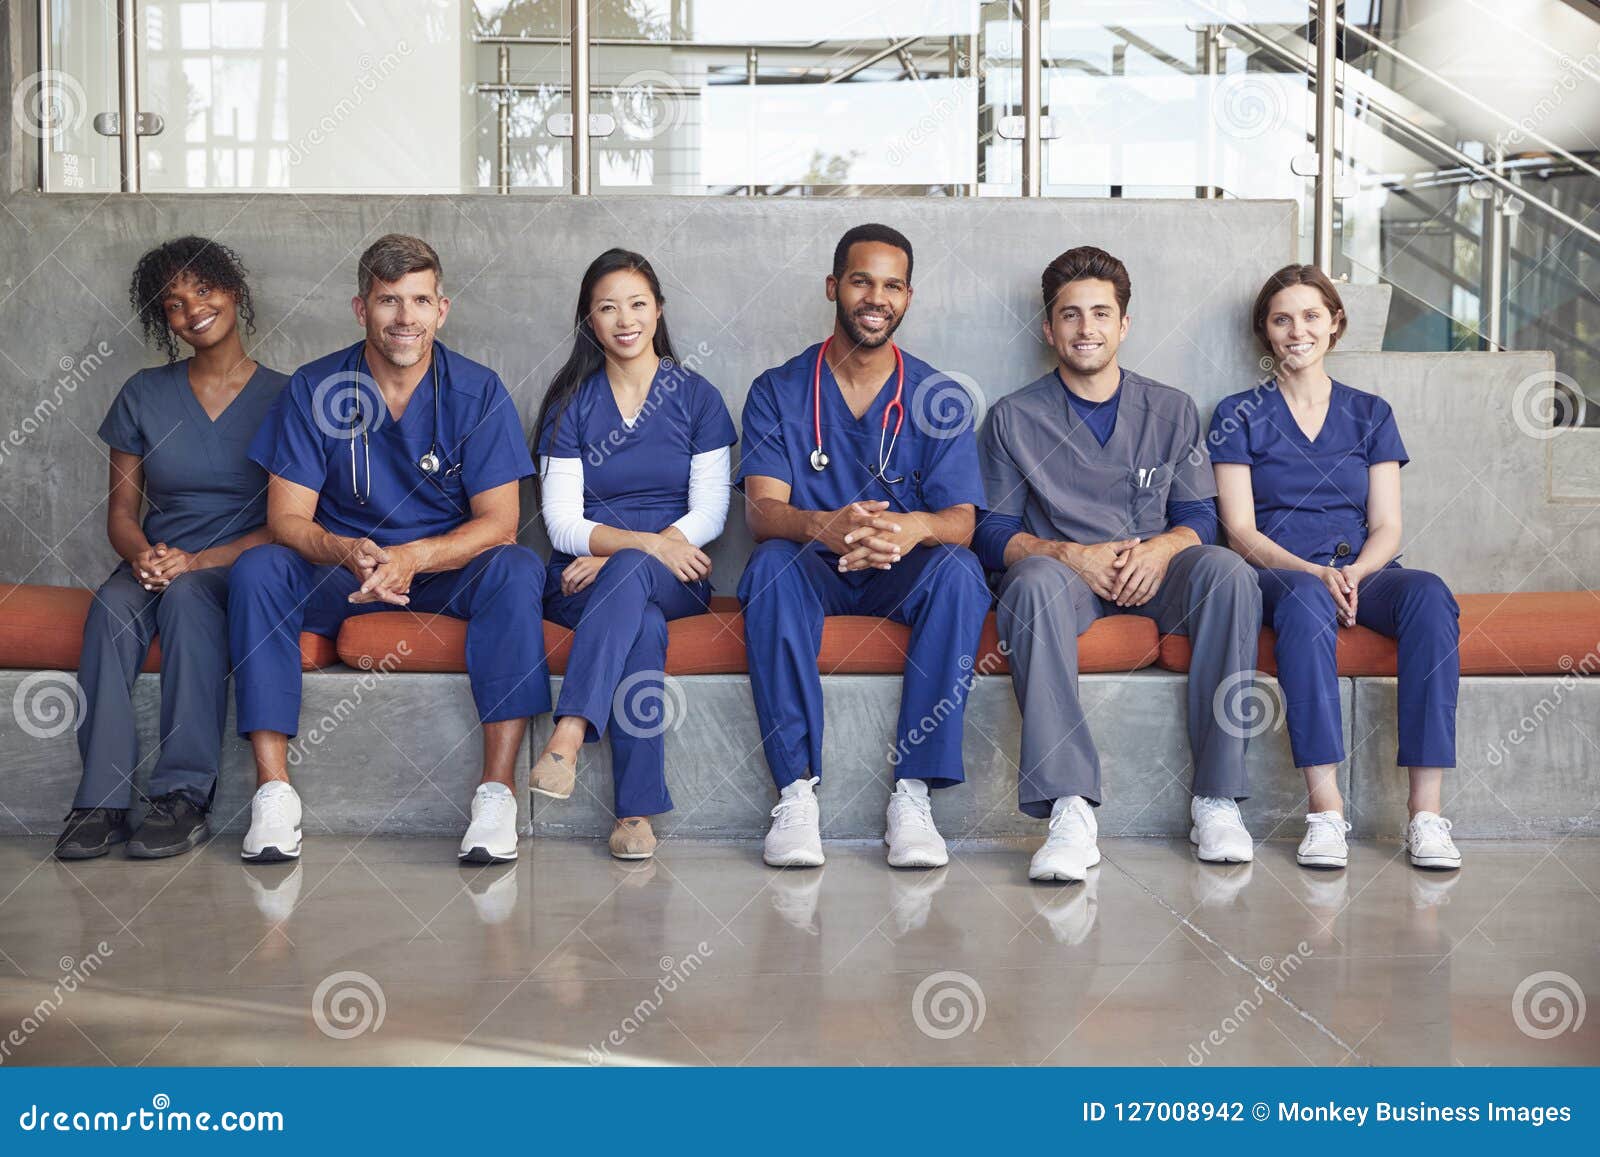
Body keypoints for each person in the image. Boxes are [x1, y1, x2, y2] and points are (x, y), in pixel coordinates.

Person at [227, 234, 550, 865]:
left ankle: (497, 794)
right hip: (342, 571)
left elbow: (500, 524)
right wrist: (345, 547)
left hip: (441, 573)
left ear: (442, 310)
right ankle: (273, 794)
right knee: (260, 566)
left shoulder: (477, 391)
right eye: (388, 300)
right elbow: (285, 519)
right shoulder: (315, 387)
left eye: (420, 300)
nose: (406, 317)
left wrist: (414, 558)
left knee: (515, 568)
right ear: (360, 309)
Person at [976, 245, 1262, 882]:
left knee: (1228, 574)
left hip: (1156, 575)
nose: (1087, 328)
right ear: (1048, 329)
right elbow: (991, 533)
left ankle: (1217, 800)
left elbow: (1200, 516)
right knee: (1030, 583)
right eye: (1070, 315)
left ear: (1124, 324)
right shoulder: (1012, 418)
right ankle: (1069, 808)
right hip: (1065, 581)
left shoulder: (1172, 409)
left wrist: (1162, 548)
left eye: (1101, 313)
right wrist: (1069, 555)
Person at [736, 223, 991, 871]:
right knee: (768, 565)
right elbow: (761, 511)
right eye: (861, 281)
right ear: (833, 287)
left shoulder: (937, 396)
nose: (877, 298)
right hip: (812, 568)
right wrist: (822, 526)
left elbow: (961, 520)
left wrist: (912, 528)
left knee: (960, 570)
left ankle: (913, 796)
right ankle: (796, 793)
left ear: (908, 297)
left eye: (892, 286)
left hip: (900, 572)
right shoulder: (778, 389)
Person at [1210, 264, 1461, 871]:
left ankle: (1426, 816)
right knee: (1304, 599)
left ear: (1335, 324)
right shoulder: (1237, 413)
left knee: (1430, 594)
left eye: (1311, 316)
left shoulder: (1370, 413)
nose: (1297, 330)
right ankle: (1325, 813)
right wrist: (1314, 573)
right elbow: (1239, 531)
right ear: (1266, 332)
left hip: (1363, 572)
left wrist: (1354, 573)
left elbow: (1388, 525)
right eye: (1282, 319)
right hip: (1283, 574)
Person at [56, 237, 289, 861]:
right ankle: (100, 801)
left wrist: (197, 563)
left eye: (203, 291)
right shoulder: (143, 393)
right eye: (174, 304)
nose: (193, 311)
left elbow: (288, 524)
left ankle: (183, 796)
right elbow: (121, 514)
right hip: (156, 557)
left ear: (232, 291)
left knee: (188, 599)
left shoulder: (286, 396)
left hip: (238, 563)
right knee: (110, 607)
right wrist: (142, 555)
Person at [531, 249, 736, 861]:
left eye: (638, 304)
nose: (626, 320)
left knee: (633, 581)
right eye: (608, 308)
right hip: (582, 579)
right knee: (640, 625)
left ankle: (569, 733)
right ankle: (635, 814)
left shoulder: (697, 398)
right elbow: (561, 523)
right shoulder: (570, 403)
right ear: (589, 321)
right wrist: (639, 548)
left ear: (659, 311)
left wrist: (630, 557)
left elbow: (711, 514)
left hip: (678, 576)